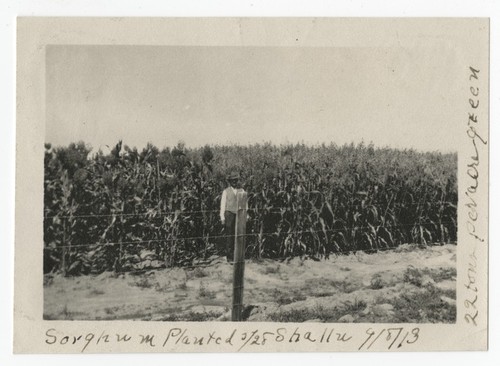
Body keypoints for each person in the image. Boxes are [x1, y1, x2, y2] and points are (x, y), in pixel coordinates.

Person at [220, 171, 246, 262]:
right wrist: (222, 217)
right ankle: (230, 257)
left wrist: (246, 215)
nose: (234, 182)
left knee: (239, 235)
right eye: (232, 180)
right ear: (230, 182)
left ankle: (238, 256)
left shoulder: (242, 190)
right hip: (229, 214)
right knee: (229, 235)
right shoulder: (226, 191)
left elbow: (244, 204)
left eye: (236, 180)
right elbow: (223, 205)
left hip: (239, 214)